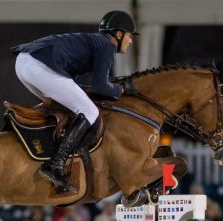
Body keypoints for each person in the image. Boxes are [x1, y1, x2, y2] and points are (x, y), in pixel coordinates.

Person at [12, 10, 136, 193]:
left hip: (24, 63)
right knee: (90, 112)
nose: (131, 41)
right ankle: (56, 164)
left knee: (64, 107)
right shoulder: (106, 45)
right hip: (39, 64)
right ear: (118, 34)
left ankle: (42, 150)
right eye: (129, 35)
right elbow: (101, 86)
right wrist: (122, 90)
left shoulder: (91, 42)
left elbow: (83, 86)